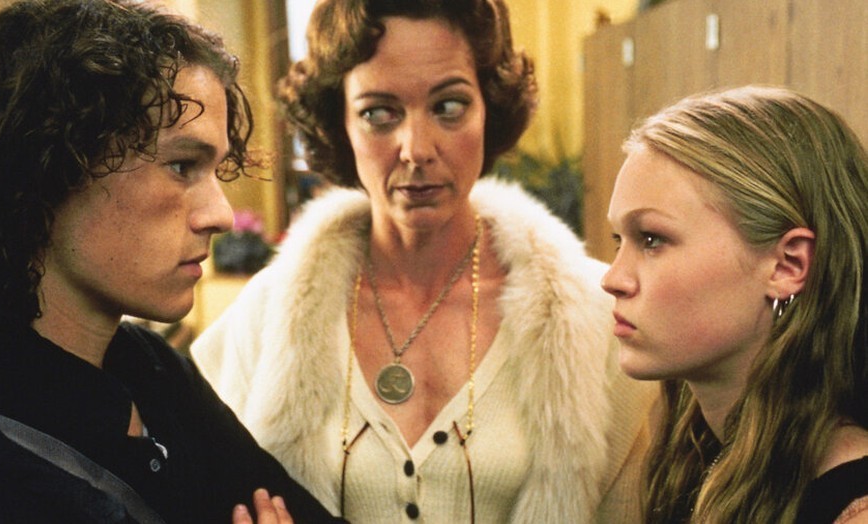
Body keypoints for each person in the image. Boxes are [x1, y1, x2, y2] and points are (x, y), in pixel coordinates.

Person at [192, 0, 658, 521]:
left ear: (490, 108)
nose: (416, 149)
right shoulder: (265, 316)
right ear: (339, 123)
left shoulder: (596, 317)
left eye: (448, 106)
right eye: (379, 113)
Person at [0, 1, 341, 522]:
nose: (221, 215)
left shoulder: (149, 369)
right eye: (181, 166)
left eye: (216, 169)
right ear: (49, 163)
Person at [601, 86, 868, 523]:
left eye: (652, 239)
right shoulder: (696, 456)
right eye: (619, 241)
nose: (612, 279)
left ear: (787, 265)